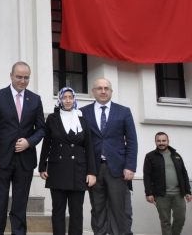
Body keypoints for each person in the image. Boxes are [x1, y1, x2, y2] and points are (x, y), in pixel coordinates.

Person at [0, 61, 46, 235]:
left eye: (26, 77)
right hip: (1, 159)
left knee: (20, 205)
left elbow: (42, 128)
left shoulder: (35, 99)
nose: (22, 80)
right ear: (11, 76)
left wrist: (29, 142)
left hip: (25, 161)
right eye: (19, 77)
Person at [81, 78, 138, 235]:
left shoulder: (124, 111)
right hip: (94, 169)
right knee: (98, 209)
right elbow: (81, 142)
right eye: (99, 88)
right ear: (93, 91)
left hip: (118, 169)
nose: (103, 91)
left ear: (111, 91)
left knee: (120, 209)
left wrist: (130, 166)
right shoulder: (83, 112)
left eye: (106, 88)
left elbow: (132, 141)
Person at [38, 87, 96, 235]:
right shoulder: (52, 118)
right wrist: (42, 166)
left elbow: (89, 146)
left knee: (76, 211)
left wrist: (91, 172)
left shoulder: (82, 119)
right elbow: (46, 143)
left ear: (74, 99)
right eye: (65, 97)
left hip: (79, 170)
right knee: (58, 210)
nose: (68, 100)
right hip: (57, 169)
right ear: (60, 99)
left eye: (71, 97)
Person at [143, 132, 192, 235]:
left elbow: (184, 173)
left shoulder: (176, 155)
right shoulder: (150, 156)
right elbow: (147, 176)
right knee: (165, 222)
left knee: (180, 219)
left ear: (168, 141)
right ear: (155, 142)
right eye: (159, 141)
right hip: (161, 195)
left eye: (163, 140)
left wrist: (188, 191)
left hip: (178, 194)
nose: (161, 143)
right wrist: (148, 193)